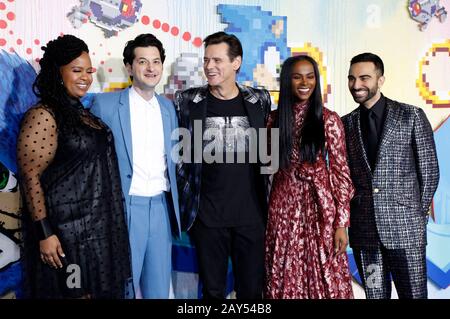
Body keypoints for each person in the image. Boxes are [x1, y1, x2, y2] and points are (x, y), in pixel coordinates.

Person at [17, 34, 132, 299]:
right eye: (76, 70)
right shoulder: (44, 115)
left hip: (99, 234)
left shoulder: (82, 113)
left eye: (89, 70)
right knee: (76, 294)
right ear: (58, 73)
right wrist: (45, 234)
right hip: (66, 239)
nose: (86, 77)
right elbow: (30, 176)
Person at [174, 31, 271, 299]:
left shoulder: (259, 100)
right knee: (213, 291)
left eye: (217, 60)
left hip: (251, 218)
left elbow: (269, 153)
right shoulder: (187, 100)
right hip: (207, 218)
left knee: (252, 292)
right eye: (206, 60)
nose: (209, 67)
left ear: (236, 63)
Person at [90, 33, 181, 299]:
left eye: (156, 62)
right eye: (143, 61)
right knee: (122, 289)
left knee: (158, 290)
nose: (151, 68)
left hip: (162, 209)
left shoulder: (169, 108)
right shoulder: (105, 105)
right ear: (129, 67)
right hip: (125, 207)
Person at [342, 52, 440, 299]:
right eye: (351, 78)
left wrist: (416, 216)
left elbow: (429, 171)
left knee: (414, 295)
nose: (357, 85)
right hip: (366, 236)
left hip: (406, 232)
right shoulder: (345, 124)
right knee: (375, 295)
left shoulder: (411, 115)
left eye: (364, 78)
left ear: (380, 79)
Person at [264, 55, 354, 299]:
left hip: (319, 210)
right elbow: (264, 169)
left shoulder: (329, 119)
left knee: (325, 277)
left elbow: (341, 174)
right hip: (282, 209)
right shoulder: (272, 120)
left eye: (310, 76)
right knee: (283, 274)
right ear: (287, 81)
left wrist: (341, 223)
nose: (305, 82)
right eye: (297, 76)